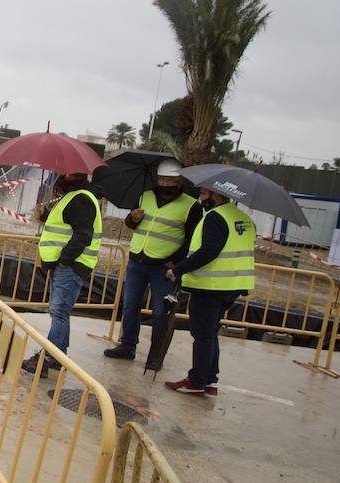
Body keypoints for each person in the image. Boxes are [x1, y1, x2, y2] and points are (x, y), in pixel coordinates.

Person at [103, 159, 201, 360]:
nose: (165, 184)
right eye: (162, 179)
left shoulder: (191, 206)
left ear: (179, 181)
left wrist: (176, 262)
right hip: (137, 260)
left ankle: (155, 355)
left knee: (160, 313)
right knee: (130, 305)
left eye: (170, 180)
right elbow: (132, 224)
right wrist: (133, 219)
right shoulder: (145, 196)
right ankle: (128, 345)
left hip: (163, 267)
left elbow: (192, 238)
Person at [163, 188, 256, 396]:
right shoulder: (242, 218)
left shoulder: (215, 217)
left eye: (204, 194)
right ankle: (210, 379)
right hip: (232, 286)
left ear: (216, 194)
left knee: (203, 335)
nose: (201, 198)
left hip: (211, 285)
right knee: (211, 333)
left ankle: (196, 381)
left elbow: (208, 252)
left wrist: (177, 270)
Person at [23, 171, 102, 373]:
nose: (65, 176)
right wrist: (44, 217)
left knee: (58, 311)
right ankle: (59, 355)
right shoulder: (74, 197)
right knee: (61, 312)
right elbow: (65, 224)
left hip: (71, 265)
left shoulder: (81, 199)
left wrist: (65, 262)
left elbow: (82, 235)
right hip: (66, 264)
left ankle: (48, 357)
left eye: (70, 173)